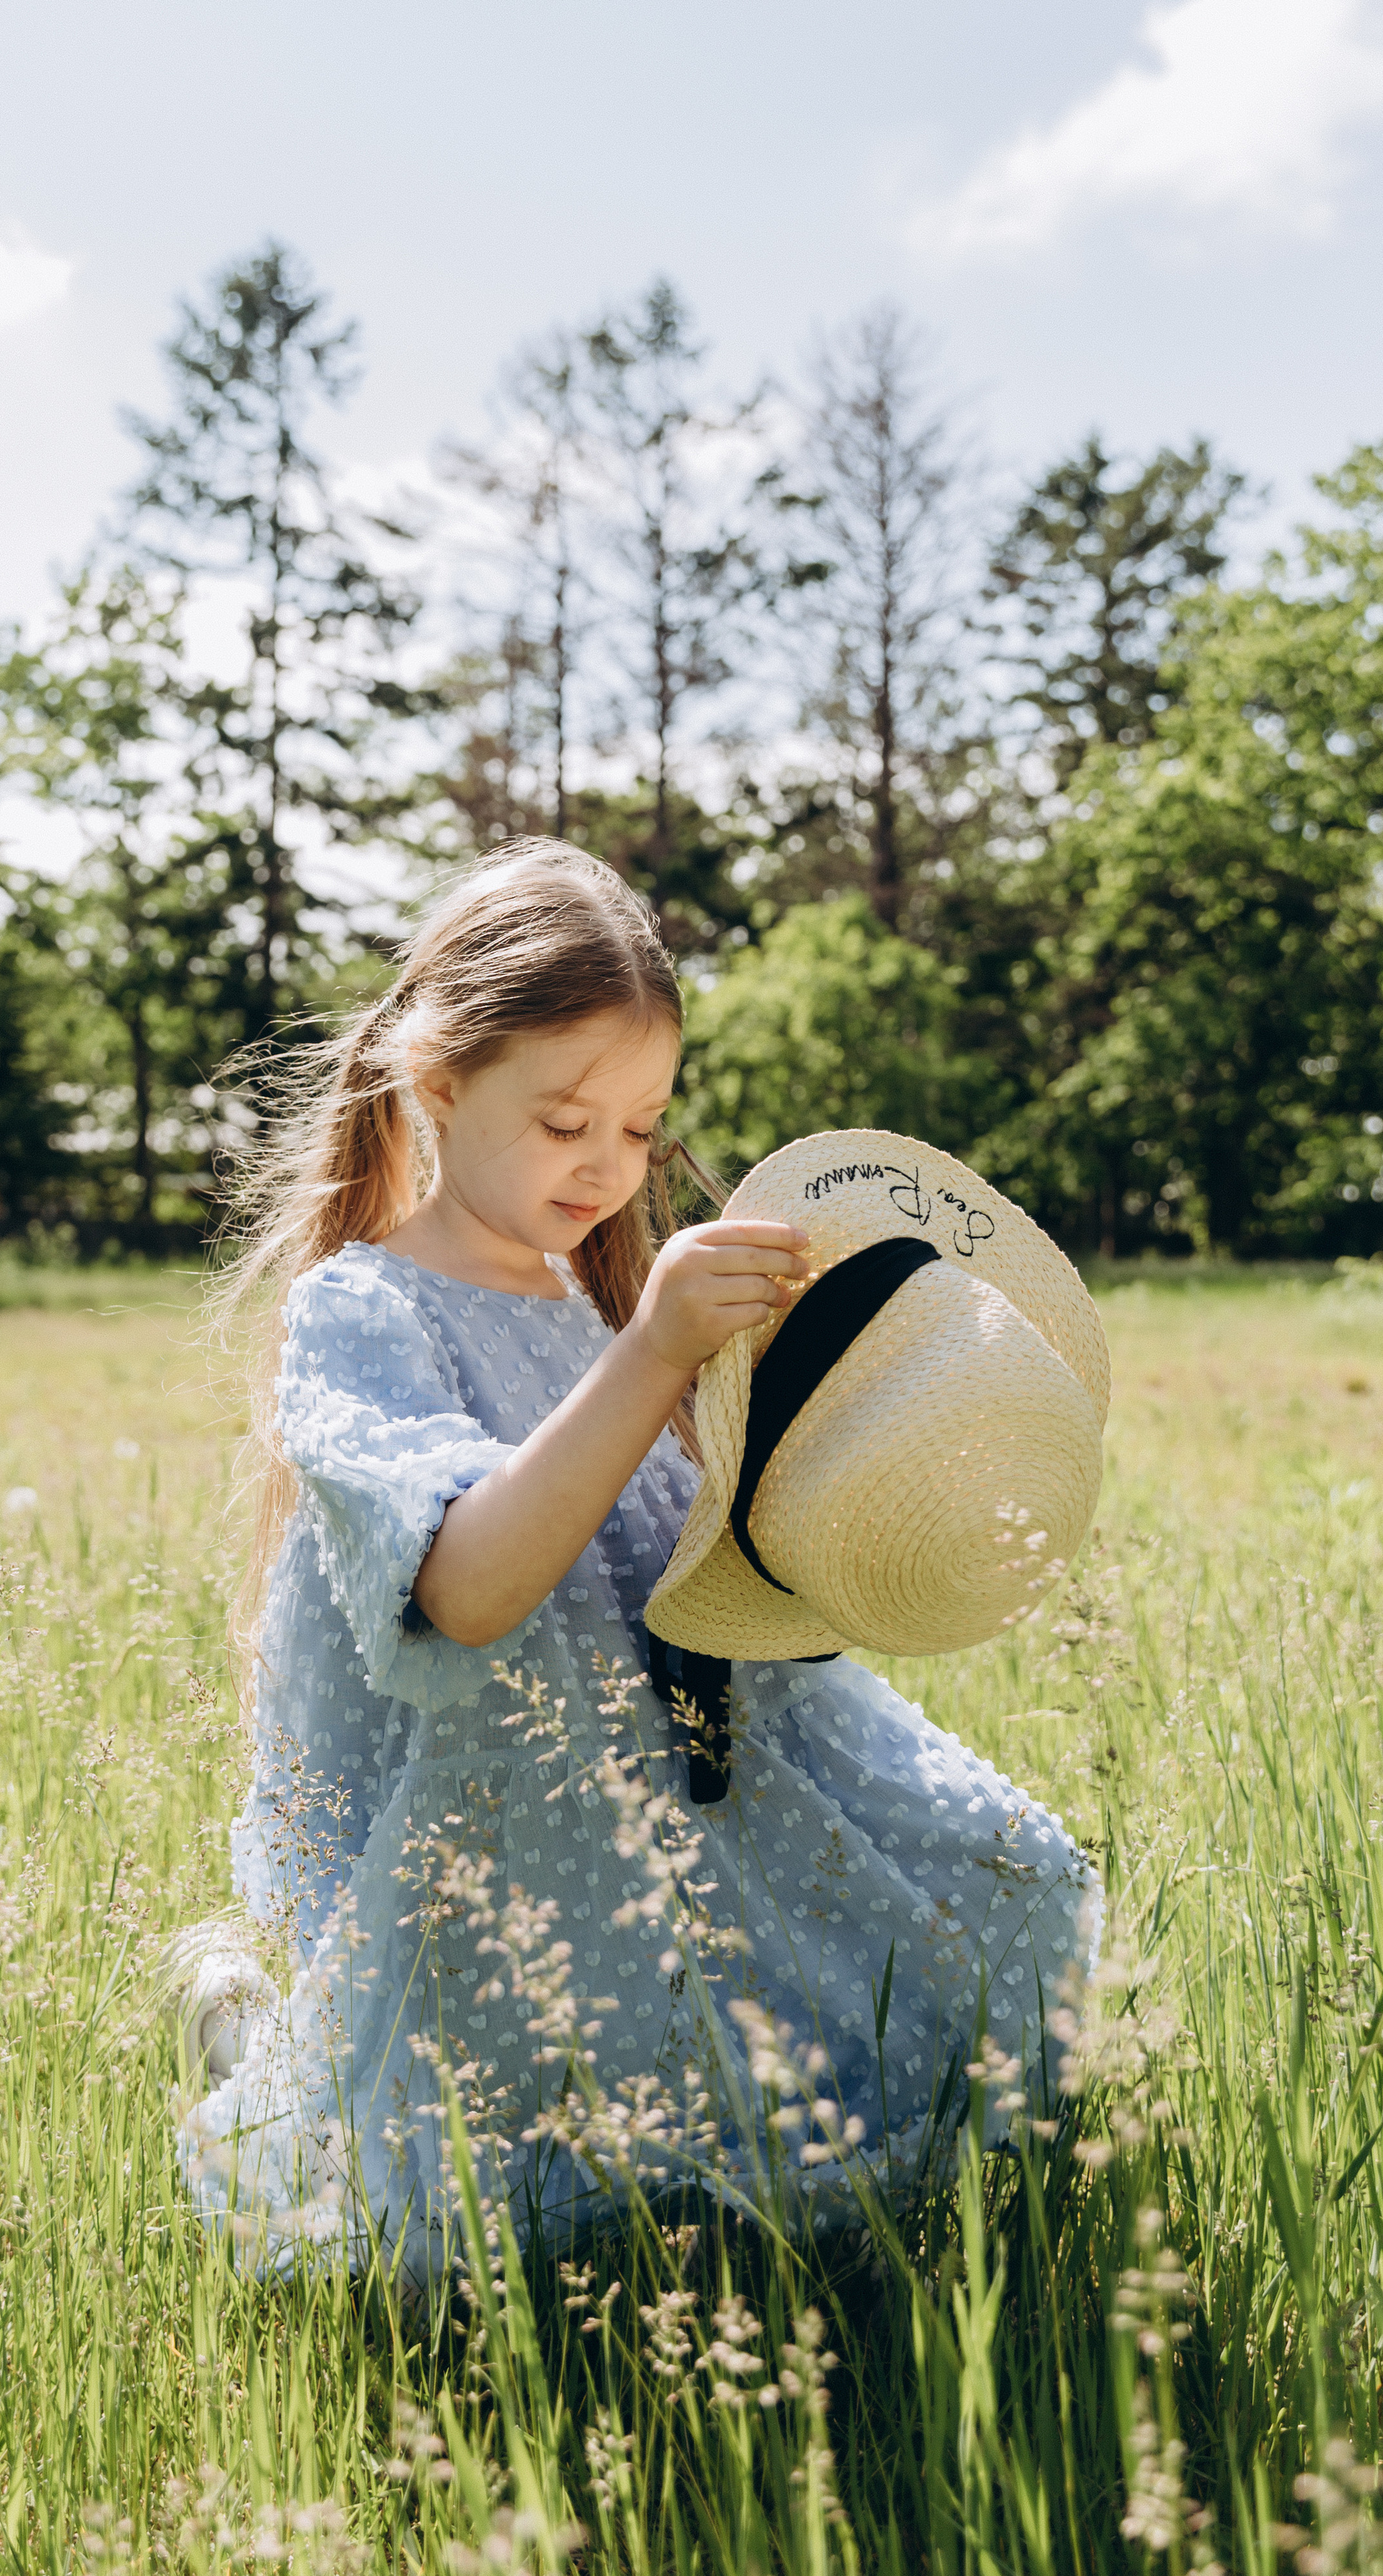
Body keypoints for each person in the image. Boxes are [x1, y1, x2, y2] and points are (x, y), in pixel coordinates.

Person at [176, 842, 1096, 2269]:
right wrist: (653, 1352)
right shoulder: (367, 1311)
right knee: (512, 2220)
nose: (606, 1167)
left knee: (1005, 1888)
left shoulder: (595, 1301)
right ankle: (249, 2035)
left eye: (640, 1128)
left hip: (674, 1766)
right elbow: (469, 1589)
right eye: (563, 1123)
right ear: (436, 1080)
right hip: (510, 1817)